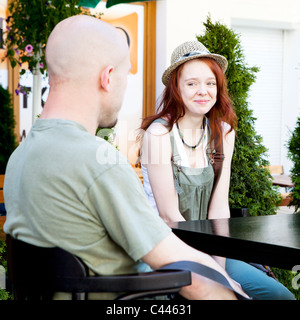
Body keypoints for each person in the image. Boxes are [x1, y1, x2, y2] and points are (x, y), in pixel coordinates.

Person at [3, 15, 248, 300]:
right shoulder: (96, 162)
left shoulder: (21, 157)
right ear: (107, 78)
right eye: (125, 75)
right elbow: (188, 273)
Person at [138, 41, 295, 300]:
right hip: (166, 249)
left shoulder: (223, 132)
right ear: (176, 88)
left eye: (210, 83)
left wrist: (219, 266)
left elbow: (219, 208)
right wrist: (215, 276)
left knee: (279, 296)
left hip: (213, 248)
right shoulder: (158, 134)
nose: (203, 91)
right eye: (192, 83)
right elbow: (168, 217)